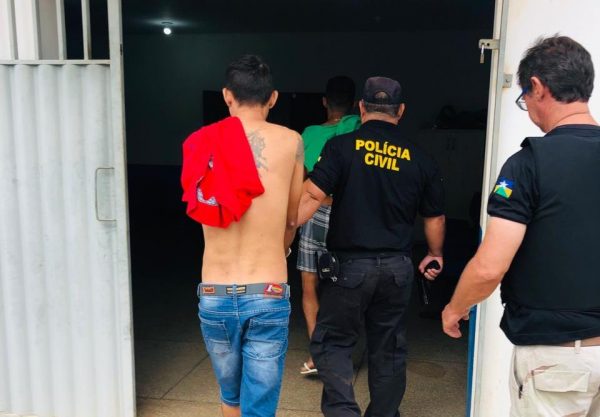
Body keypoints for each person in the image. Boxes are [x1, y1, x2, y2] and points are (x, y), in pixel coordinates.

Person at [442, 35, 600, 416]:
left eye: (524, 98)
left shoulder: (529, 164)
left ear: (538, 88)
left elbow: (490, 267)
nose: (527, 108)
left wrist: (455, 307)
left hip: (558, 358)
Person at [298, 76, 446, 417]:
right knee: (389, 348)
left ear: (362, 107)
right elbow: (435, 217)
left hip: (349, 268)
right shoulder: (421, 158)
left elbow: (311, 196)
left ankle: (343, 412)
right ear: (401, 111)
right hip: (397, 269)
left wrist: (283, 235)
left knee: (333, 342)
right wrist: (434, 254)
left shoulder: (341, 147)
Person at [180, 55, 304, 417]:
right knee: (259, 407)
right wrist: (280, 250)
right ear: (273, 98)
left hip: (215, 292)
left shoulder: (199, 143)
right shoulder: (291, 141)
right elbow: (291, 220)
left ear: (227, 95)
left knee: (230, 397)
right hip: (267, 289)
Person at [297, 75, 361, 376]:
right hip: (349, 215)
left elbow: (300, 179)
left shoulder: (308, 133)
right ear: (355, 104)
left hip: (314, 210)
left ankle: (318, 354)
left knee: (310, 284)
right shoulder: (359, 128)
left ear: (324, 102)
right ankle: (341, 354)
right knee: (345, 285)